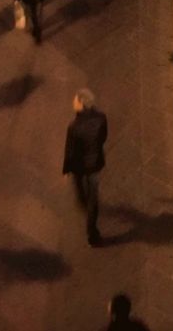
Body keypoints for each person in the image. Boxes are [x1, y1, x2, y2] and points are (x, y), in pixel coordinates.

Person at [63, 88, 108, 246]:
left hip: (79, 166)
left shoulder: (74, 126)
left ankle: (83, 201)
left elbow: (70, 151)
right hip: (95, 165)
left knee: (81, 190)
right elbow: (103, 137)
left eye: (75, 100)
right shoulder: (101, 118)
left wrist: (66, 169)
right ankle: (92, 234)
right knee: (93, 197)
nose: (73, 103)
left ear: (82, 104)